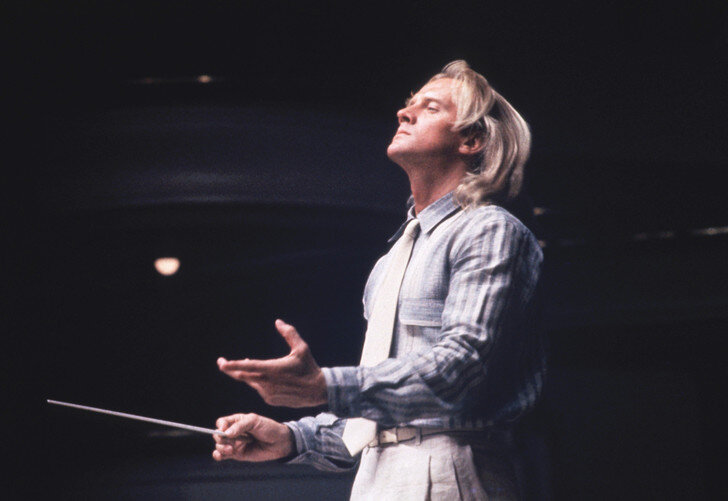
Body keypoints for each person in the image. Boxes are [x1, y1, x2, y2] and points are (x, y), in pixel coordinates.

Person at [212, 60, 545, 500]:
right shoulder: (392, 259)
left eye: (429, 107)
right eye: (409, 104)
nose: (404, 113)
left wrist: (326, 386)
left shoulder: (489, 230)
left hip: (452, 469)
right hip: (377, 476)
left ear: (471, 140)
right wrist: (291, 438)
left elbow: (463, 367)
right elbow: (376, 419)